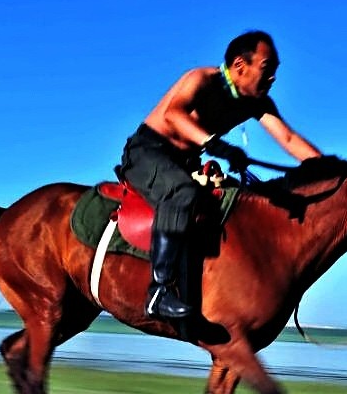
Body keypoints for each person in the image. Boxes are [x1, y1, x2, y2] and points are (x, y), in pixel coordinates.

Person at [117, 30, 322, 320]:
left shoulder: (257, 103)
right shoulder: (201, 79)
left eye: (276, 70)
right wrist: (216, 146)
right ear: (240, 65)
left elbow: (288, 139)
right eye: (267, 68)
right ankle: (159, 292)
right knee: (182, 192)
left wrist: (331, 169)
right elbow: (173, 115)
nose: (273, 77)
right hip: (147, 153)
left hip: (183, 162)